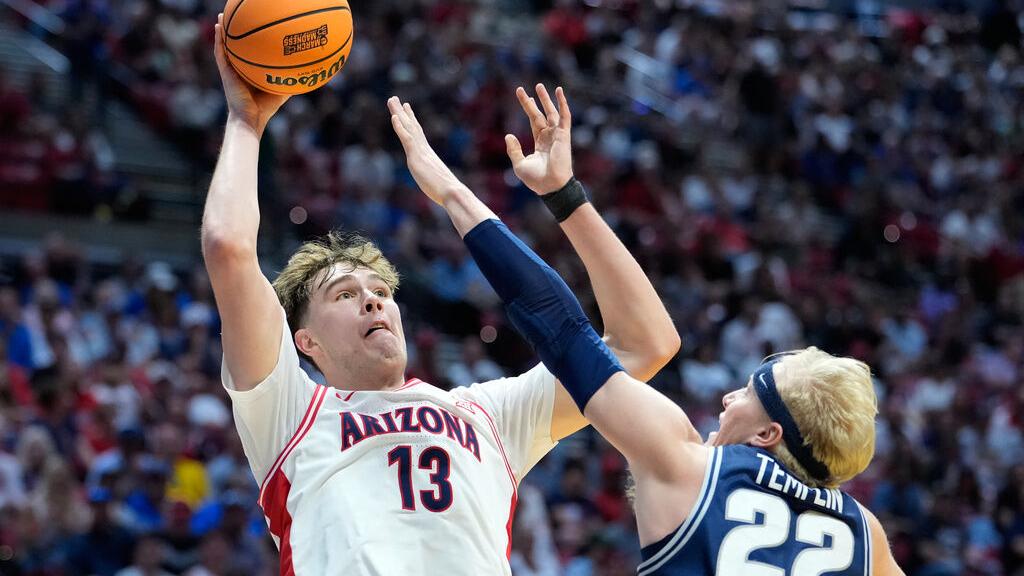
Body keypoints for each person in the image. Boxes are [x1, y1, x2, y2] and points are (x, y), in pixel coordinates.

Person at [203, 12, 678, 575]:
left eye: (380, 290)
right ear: (303, 341)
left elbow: (642, 346)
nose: (373, 300)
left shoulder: (486, 414)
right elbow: (228, 247)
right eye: (344, 294)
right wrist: (245, 121)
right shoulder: (290, 411)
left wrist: (560, 198)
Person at [460, 93, 907, 573]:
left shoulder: (692, 467)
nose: (728, 399)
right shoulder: (866, 537)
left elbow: (562, 331)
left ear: (767, 433)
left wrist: (461, 193)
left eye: (749, 393)